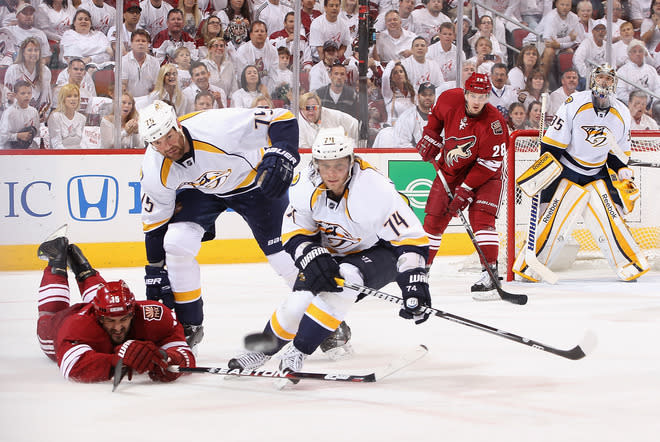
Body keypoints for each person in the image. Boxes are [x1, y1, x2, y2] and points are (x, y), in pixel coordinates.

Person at [227, 127, 431, 374]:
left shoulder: (374, 188)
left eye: (339, 166)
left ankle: (298, 352)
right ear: (315, 164)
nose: (332, 174)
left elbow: (410, 240)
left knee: (345, 279)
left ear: (351, 161)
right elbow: (293, 231)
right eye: (325, 166)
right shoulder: (305, 184)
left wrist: (414, 282)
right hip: (332, 252)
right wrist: (310, 254)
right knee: (298, 302)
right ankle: (261, 351)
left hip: (380, 251)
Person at [137, 100, 301, 349]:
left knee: (283, 257)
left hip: (254, 184)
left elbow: (282, 117)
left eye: (168, 136)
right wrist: (155, 270)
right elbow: (155, 225)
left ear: (177, 125)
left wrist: (283, 153)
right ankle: (188, 325)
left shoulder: (217, 127)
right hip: (203, 191)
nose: (166, 146)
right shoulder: (154, 168)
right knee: (176, 243)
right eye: (156, 142)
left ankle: (319, 317)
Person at [513, 64, 649, 282]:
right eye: (601, 78)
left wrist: (621, 169)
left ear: (614, 84)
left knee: (611, 218)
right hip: (568, 171)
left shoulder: (622, 112)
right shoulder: (574, 103)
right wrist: (544, 177)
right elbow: (552, 146)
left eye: (608, 79)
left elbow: (617, 154)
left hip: (597, 173)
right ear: (593, 80)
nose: (604, 83)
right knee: (553, 221)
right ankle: (530, 267)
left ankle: (629, 264)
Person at [35, 227, 195, 382]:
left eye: (123, 319)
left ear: (133, 312)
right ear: (98, 317)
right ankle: (56, 260)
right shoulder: (76, 326)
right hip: (63, 324)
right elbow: (73, 366)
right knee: (48, 320)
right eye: (111, 321)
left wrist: (166, 357)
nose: (118, 328)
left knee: (107, 301)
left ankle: (84, 269)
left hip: (98, 310)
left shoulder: (154, 316)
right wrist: (119, 362)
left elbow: (185, 355)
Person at [416, 72, 509, 300]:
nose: (477, 101)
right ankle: (422, 271)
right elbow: (435, 119)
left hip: (487, 175)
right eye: (473, 95)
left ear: (488, 97)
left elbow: (489, 164)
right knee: (434, 218)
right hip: (452, 167)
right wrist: (431, 136)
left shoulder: (495, 124)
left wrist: (465, 189)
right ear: (465, 93)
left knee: (482, 220)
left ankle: (490, 273)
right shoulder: (449, 99)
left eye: (483, 96)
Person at [3, 37, 52, 121]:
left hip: (36, 117)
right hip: (16, 117)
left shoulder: (45, 71)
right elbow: (7, 96)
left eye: (36, 50)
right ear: (23, 52)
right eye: (30, 50)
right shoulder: (13, 70)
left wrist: (40, 114)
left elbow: (46, 98)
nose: (33, 53)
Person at [616, 39, 660, 105]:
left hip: (650, 107)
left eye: (640, 51)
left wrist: (653, 106)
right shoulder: (622, 71)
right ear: (629, 54)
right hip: (629, 106)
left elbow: (657, 89)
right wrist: (637, 105)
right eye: (634, 51)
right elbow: (621, 93)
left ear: (644, 53)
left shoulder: (651, 70)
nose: (638, 54)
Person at [393, 82, 437, 148]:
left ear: (434, 96)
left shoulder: (441, 117)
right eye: (424, 95)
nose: (427, 97)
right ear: (418, 96)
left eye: (430, 95)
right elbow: (401, 144)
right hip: (414, 156)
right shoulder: (407, 117)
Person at [0, 80, 40, 149]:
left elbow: (37, 133)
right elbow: (2, 136)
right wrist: (18, 136)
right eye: (23, 93)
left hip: (28, 148)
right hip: (10, 151)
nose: (27, 96)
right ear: (15, 95)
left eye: (29, 93)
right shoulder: (9, 113)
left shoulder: (34, 111)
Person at [121, 29, 160, 99]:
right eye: (137, 41)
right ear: (131, 44)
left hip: (149, 101)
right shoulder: (123, 61)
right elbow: (123, 86)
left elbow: (156, 86)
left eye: (143, 41)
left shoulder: (155, 62)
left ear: (148, 44)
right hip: (129, 101)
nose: (140, 43)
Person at [47, 84, 86, 149]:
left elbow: (83, 143)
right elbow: (56, 144)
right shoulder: (55, 117)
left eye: (76, 96)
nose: (73, 99)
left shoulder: (82, 118)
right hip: (60, 156)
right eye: (69, 96)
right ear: (63, 98)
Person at [381, 61, 416, 126]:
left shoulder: (412, 92)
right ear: (391, 78)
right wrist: (392, 62)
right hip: (394, 129)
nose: (399, 74)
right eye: (395, 73)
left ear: (405, 74)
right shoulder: (389, 93)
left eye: (401, 71)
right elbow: (385, 77)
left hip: (411, 129)